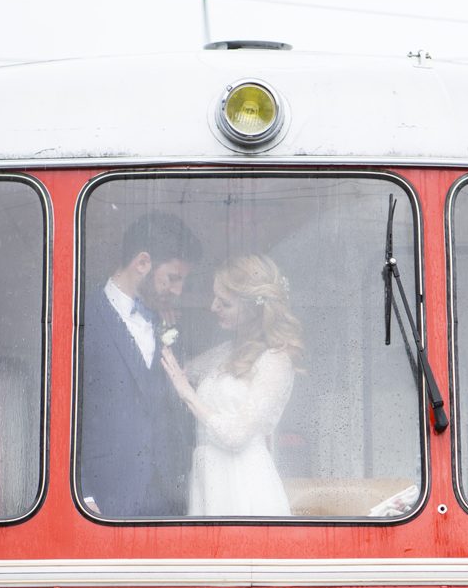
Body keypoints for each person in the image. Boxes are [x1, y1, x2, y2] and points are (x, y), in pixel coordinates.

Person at [161, 254, 304, 515]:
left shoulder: (275, 360)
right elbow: (179, 371)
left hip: (243, 481)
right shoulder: (226, 351)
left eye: (224, 303)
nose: (213, 306)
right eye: (215, 297)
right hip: (210, 476)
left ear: (253, 308)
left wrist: (189, 395)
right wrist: (165, 323)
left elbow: (236, 436)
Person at [79, 212, 202, 516]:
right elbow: (64, 411)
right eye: (173, 278)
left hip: (166, 500)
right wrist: (82, 492)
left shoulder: (168, 324)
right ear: (142, 263)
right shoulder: (83, 318)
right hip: (102, 500)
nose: (178, 291)